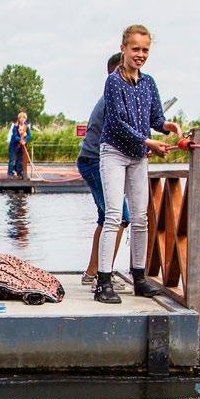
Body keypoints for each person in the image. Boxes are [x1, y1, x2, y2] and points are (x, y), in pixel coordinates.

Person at [96, 24, 182, 304]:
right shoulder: (114, 82)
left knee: (141, 218)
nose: (140, 54)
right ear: (123, 49)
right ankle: (104, 282)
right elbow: (119, 123)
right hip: (115, 152)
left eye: (145, 50)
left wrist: (168, 126)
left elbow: (155, 119)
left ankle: (139, 278)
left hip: (138, 156)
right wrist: (150, 144)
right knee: (112, 216)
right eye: (135, 49)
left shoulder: (148, 83)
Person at [77, 53, 130, 291]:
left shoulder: (114, 96)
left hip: (91, 159)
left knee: (106, 218)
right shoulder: (114, 96)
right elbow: (120, 131)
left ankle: (92, 273)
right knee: (120, 218)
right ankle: (102, 276)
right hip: (96, 161)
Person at [7, 111, 31, 178]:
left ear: (25, 119)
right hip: (13, 145)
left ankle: (19, 172)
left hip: (21, 146)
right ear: (19, 118)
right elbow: (15, 135)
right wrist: (20, 140)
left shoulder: (26, 127)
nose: (22, 119)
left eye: (24, 118)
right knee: (12, 159)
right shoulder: (15, 126)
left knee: (20, 159)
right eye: (21, 117)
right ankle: (10, 173)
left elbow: (29, 135)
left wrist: (25, 141)